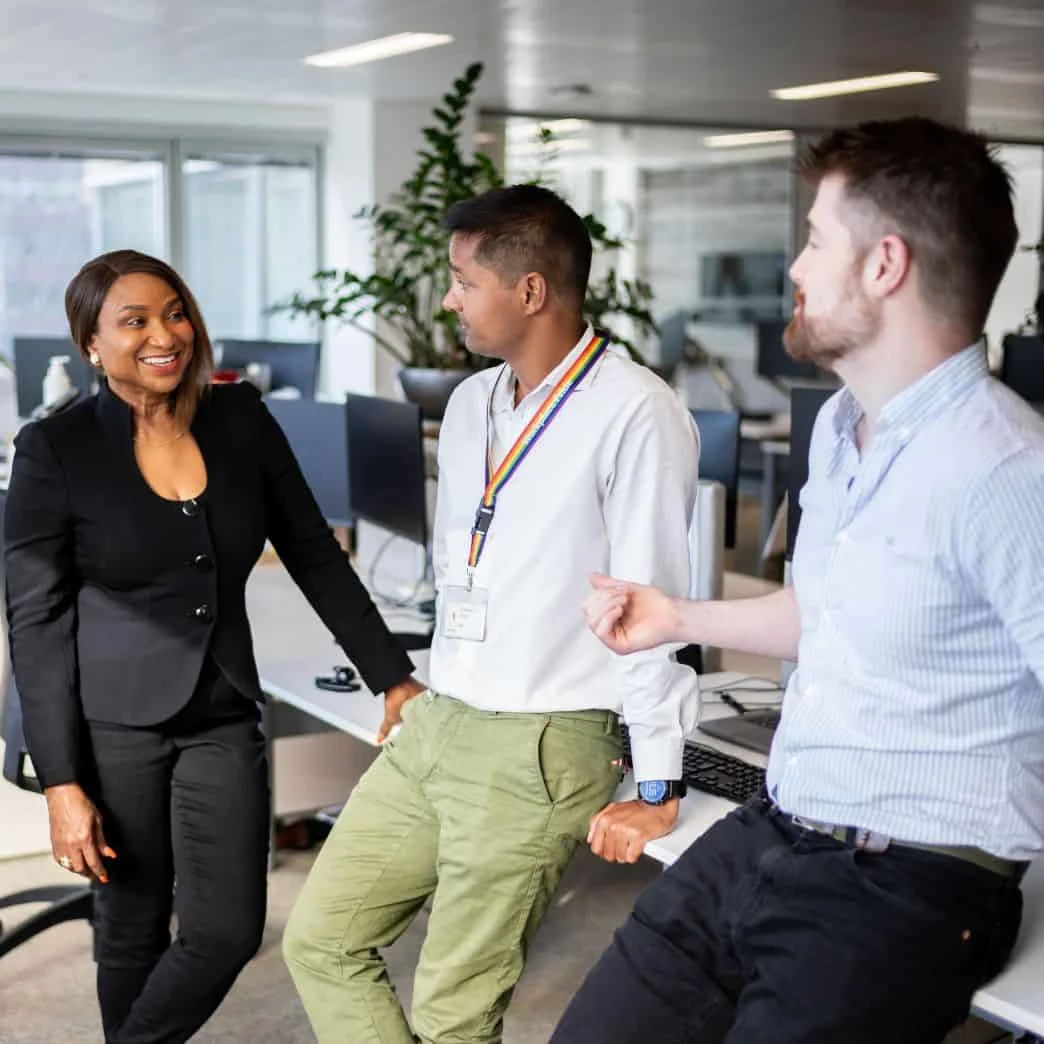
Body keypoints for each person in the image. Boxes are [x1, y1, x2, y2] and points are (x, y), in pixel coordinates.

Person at [551, 116, 1043, 1044]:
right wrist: (673, 616)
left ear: (884, 265)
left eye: (817, 240)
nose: (796, 269)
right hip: (777, 826)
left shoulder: (1010, 472)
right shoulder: (841, 432)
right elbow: (830, 614)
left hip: (911, 879)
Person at [282, 184, 701, 1043]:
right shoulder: (473, 403)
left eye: (463, 281)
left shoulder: (637, 411)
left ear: (531, 292)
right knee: (320, 940)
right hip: (446, 714)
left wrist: (658, 781)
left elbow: (650, 609)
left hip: (544, 737)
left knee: (453, 1013)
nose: (448, 300)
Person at [3, 249, 424, 1044]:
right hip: (110, 719)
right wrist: (62, 783)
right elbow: (37, 620)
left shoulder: (241, 420)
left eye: (175, 312)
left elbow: (312, 549)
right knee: (130, 922)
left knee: (227, 931)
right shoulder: (55, 449)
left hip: (223, 706)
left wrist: (390, 674)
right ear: (91, 344)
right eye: (134, 321)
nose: (165, 334)